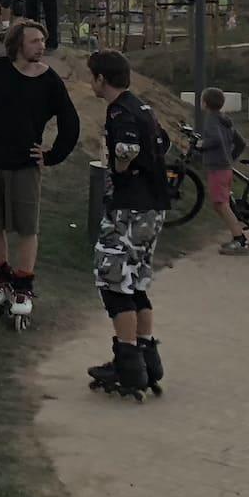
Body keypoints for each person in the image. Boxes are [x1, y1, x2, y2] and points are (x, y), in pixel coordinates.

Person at [0, 19, 81, 324]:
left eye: (42, 40)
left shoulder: (50, 81)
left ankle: (23, 287)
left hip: (24, 164)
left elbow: (70, 123)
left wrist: (52, 155)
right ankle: (1, 279)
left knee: (26, 228)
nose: (41, 46)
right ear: (18, 45)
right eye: (34, 41)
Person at [84, 49, 171, 398]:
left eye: (92, 76)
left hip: (129, 208)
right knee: (136, 281)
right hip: (153, 206)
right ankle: (148, 357)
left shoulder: (119, 110)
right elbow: (162, 141)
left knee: (113, 280)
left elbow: (126, 149)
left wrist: (119, 168)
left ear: (101, 79)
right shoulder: (142, 106)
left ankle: (129, 364)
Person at [197, 86, 249, 255]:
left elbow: (215, 139)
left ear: (205, 103)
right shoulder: (224, 119)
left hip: (217, 168)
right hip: (225, 167)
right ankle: (238, 230)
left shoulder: (211, 120)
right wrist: (230, 158)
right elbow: (241, 142)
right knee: (220, 204)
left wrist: (201, 145)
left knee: (221, 205)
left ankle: (240, 240)